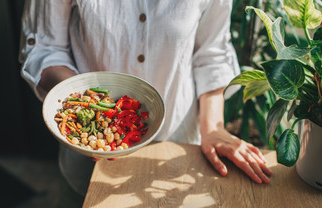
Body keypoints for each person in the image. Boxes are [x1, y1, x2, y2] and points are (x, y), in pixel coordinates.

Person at [19, 0, 272, 206]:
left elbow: (211, 53)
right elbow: (45, 47)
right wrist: (87, 106)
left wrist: (213, 128)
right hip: (88, 166)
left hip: (178, 149)